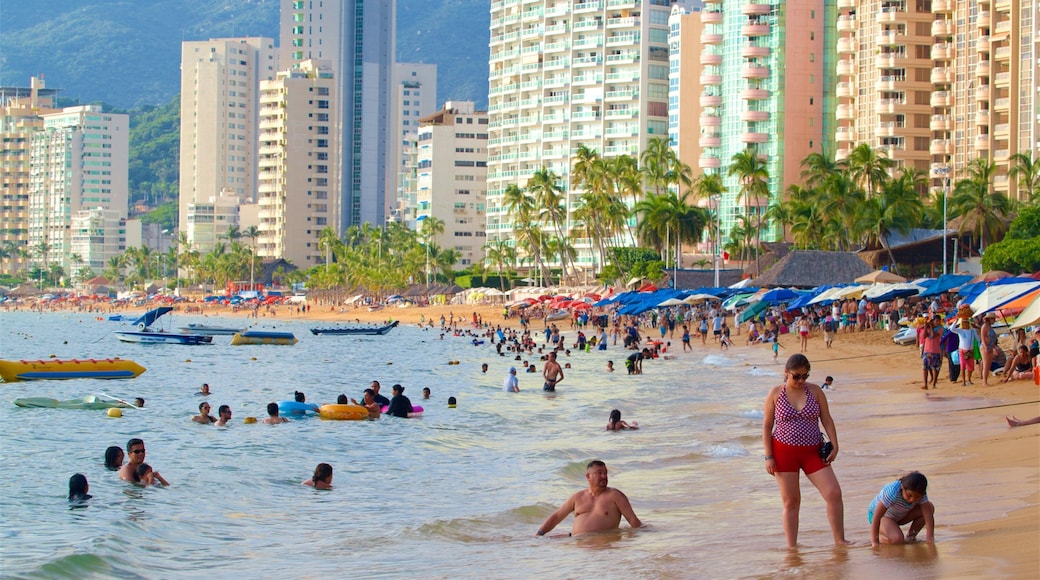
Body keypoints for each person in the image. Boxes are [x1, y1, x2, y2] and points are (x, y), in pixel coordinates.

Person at [762, 354, 849, 548]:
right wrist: (768, 456)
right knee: (791, 501)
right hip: (783, 454)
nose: (801, 380)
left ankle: (840, 541)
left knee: (833, 493)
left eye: (805, 376)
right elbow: (767, 426)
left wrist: (835, 444)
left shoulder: (816, 391)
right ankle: (792, 548)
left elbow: (826, 419)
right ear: (786, 373)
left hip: (813, 451)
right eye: (797, 376)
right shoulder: (775, 393)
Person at [535, 460, 643, 537]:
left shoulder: (615, 496)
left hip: (604, 544)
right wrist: (540, 533)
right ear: (588, 476)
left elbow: (634, 522)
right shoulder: (577, 497)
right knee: (538, 541)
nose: (604, 476)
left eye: (605, 473)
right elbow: (557, 516)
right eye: (599, 473)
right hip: (576, 542)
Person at [868, 471, 935, 547]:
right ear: (902, 487)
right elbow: (876, 517)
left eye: (916, 497)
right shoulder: (892, 491)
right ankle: (884, 538)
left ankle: (910, 537)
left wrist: (930, 538)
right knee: (897, 540)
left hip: (900, 515)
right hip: (883, 516)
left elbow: (928, 515)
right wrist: (875, 542)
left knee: (930, 508)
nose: (912, 499)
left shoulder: (921, 494)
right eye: (909, 495)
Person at [980, 313, 999, 386]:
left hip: (990, 346)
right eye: (993, 318)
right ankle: (984, 382)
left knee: (988, 365)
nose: (994, 320)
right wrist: (985, 347)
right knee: (986, 364)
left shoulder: (989, 327)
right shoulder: (984, 326)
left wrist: (993, 347)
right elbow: (983, 337)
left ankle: (985, 381)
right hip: (986, 347)